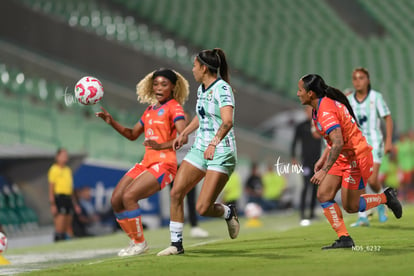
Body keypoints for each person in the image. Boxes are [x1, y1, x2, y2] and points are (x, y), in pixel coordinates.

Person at [297, 74, 402, 249]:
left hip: (356, 157)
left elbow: (338, 142)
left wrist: (324, 170)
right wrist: (323, 159)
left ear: (311, 94)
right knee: (324, 194)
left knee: (352, 207)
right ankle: (344, 238)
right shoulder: (320, 107)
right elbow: (335, 141)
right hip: (343, 156)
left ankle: (385, 197)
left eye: (300, 90)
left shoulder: (325, 111)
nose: (298, 93)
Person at [96, 68, 188, 256]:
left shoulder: (175, 108)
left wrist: (161, 145)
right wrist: (111, 122)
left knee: (129, 197)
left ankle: (140, 243)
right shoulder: (149, 111)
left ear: (172, 87)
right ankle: (135, 241)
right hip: (146, 162)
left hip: (165, 165)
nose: (159, 88)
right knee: (116, 200)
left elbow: (183, 137)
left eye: (164, 84)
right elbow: (132, 135)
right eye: (155, 84)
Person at [157, 48, 238, 256]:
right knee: (176, 192)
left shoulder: (222, 89)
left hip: (221, 151)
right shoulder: (202, 89)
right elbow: (200, 116)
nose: (192, 69)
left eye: (194, 65)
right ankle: (176, 244)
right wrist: (184, 133)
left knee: (203, 208)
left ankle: (228, 211)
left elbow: (227, 121)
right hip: (200, 148)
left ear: (204, 67)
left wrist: (213, 143)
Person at [347, 68, 393, 226]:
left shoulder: (376, 97)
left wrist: (388, 141)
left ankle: (381, 203)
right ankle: (363, 216)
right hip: (358, 146)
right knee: (359, 181)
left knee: (373, 180)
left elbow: (387, 118)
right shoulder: (350, 100)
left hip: (375, 142)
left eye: (361, 78)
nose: (357, 81)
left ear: (368, 80)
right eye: (355, 78)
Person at [174, 111, 209, 238]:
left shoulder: (194, 134)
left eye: (185, 116)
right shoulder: (172, 133)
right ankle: (176, 227)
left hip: (190, 167)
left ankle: (194, 226)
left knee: (191, 198)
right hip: (175, 168)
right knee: (175, 198)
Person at [291, 106, 322, 225]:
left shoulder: (319, 125)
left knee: (315, 187)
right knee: (305, 185)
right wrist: (293, 157)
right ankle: (302, 213)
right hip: (306, 163)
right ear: (305, 112)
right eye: (308, 110)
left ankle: (312, 213)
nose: (310, 112)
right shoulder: (301, 126)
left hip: (318, 162)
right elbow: (294, 142)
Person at [48, 148, 80, 242]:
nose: (65, 158)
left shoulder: (67, 170)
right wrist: (53, 204)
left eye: (66, 156)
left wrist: (75, 204)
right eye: (62, 155)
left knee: (68, 221)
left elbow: (70, 188)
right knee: (60, 223)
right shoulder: (54, 169)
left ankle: (66, 240)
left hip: (68, 197)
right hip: (59, 197)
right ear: (57, 157)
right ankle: (58, 240)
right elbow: (51, 188)